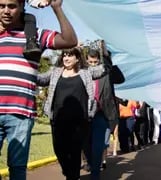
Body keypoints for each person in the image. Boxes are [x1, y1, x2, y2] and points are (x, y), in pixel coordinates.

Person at [0, 0, 77, 179]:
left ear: (21, 7)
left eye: (11, 6)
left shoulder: (34, 35)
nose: (5, 11)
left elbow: (70, 40)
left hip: (20, 113)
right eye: (1, 6)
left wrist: (56, 7)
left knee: (17, 167)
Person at [37, 47, 108, 180]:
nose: (66, 58)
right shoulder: (55, 72)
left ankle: (73, 176)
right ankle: (69, 172)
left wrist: (106, 53)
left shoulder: (86, 72)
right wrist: (32, 61)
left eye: (70, 55)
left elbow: (104, 69)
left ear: (77, 58)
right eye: (64, 55)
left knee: (75, 153)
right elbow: (39, 79)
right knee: (59, 151)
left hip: (79, 123)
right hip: (58, 121)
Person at [84, 41, 121, 179]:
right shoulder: (83, 72)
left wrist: (107, 57)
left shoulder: (106, 71)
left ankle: (95, 174)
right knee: (86, 145)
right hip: (86, 114)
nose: (93, 65)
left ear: (99, 61)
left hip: (102, 113)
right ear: (87, 61)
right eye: (91, 62)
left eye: (95, 62)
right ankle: (91, 162)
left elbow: (119, 78)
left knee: (99, 145)